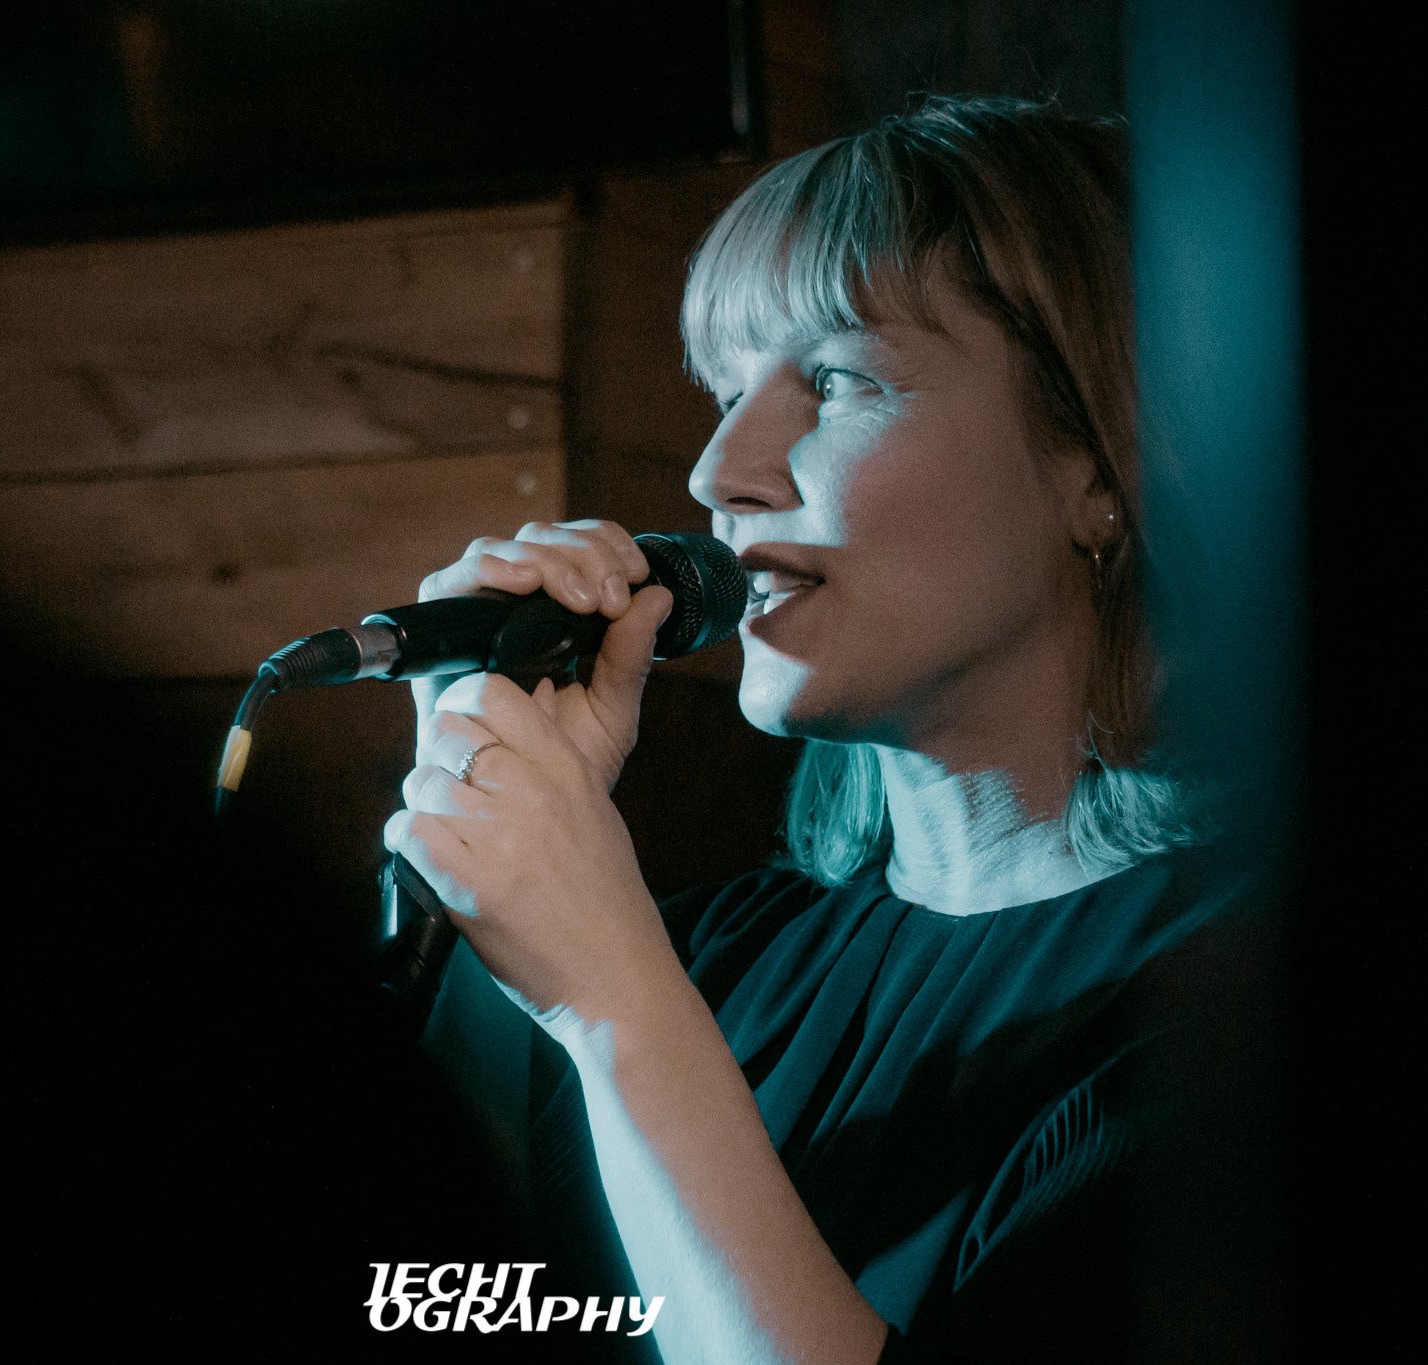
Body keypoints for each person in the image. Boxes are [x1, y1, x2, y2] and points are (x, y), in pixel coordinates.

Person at [384, 95, 1279, 1362]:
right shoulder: (707, 954)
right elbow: (435, 1300)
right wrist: (472, 840)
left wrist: (620, 1013)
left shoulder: (1241, 1011)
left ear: (1100, 459)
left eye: (839, 379)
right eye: (724, 389)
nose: (717, 471)